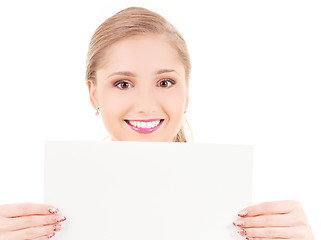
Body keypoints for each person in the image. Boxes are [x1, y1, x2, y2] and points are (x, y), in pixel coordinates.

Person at [0, 7, 314, 240]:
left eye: (165, 82)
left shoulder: (245, 216)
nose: (147, 105)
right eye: (123, 83)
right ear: (94, 94)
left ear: (186, 92)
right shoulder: (46, 221)